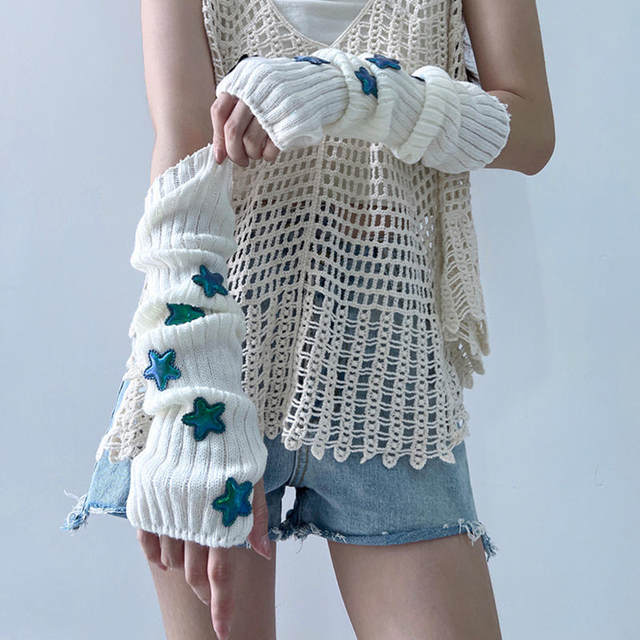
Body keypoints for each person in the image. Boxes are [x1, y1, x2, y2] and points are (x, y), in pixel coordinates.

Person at [61, 0, 555, 638]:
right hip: (216, 351)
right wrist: (191, 397)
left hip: (389, 358)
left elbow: (530, 130)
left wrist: (355, 90)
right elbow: (184, 157)